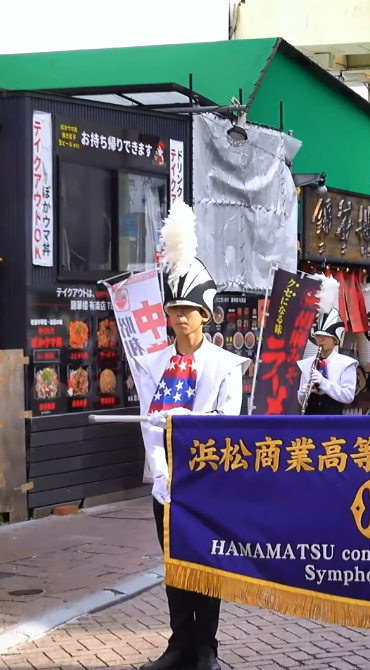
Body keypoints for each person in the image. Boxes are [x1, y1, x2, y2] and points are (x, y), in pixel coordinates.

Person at [137, 203, 249, 670]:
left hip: (208, 481)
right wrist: (161, 473)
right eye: (174, 310)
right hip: (167, 484)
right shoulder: (153, 364)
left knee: (207, 563)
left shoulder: (226, 365)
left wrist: (187, 422)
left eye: (188, 310)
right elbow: (148, 424)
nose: (180, 317)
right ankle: (179, 644)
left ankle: (206, 648)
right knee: (175, 565)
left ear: (205, 314)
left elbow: (227, 424)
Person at [295, 276, 359, 416]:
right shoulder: (308, 363)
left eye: (325, 336)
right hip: (310, 417)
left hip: (333, 417)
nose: (321, 339)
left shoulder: (345, 363)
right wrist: (303, 393)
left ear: (335, 340)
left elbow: (348, 396)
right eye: (318, 336)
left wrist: (324, 383)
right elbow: (301, 401)